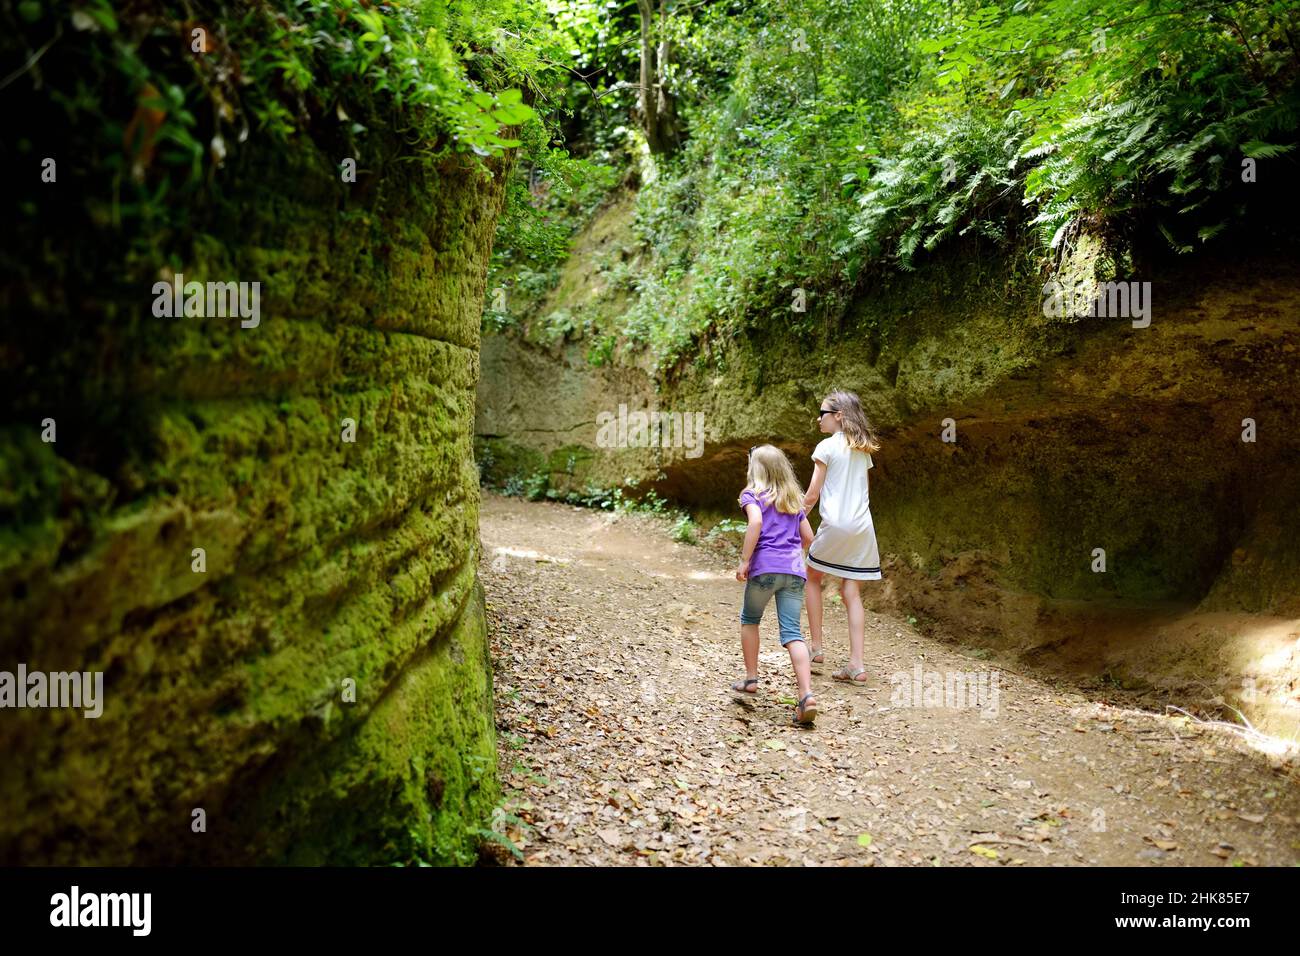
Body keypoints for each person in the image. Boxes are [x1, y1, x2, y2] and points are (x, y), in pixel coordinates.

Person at [731, 445, 818, 724]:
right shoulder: (794, 501)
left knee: (750, 619)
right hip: (794, 572)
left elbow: (755, 522)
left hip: (764, 569)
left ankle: (751, 678)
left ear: (755, 469)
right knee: (793, 632)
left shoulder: (751, 495)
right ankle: (806, 695)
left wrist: (745, 560)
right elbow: (808, 539)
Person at [803, 390, 882, 684]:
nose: (818, 418)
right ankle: (857, 664)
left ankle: (816, 647)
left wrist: (794, 514)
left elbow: (812, 493)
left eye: (822, 413)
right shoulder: (861, 449)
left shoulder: (826, 447)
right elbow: (864, 491)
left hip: (835, 524)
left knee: (812, 575)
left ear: (838, 416)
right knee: (851, 591)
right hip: (862, 526)